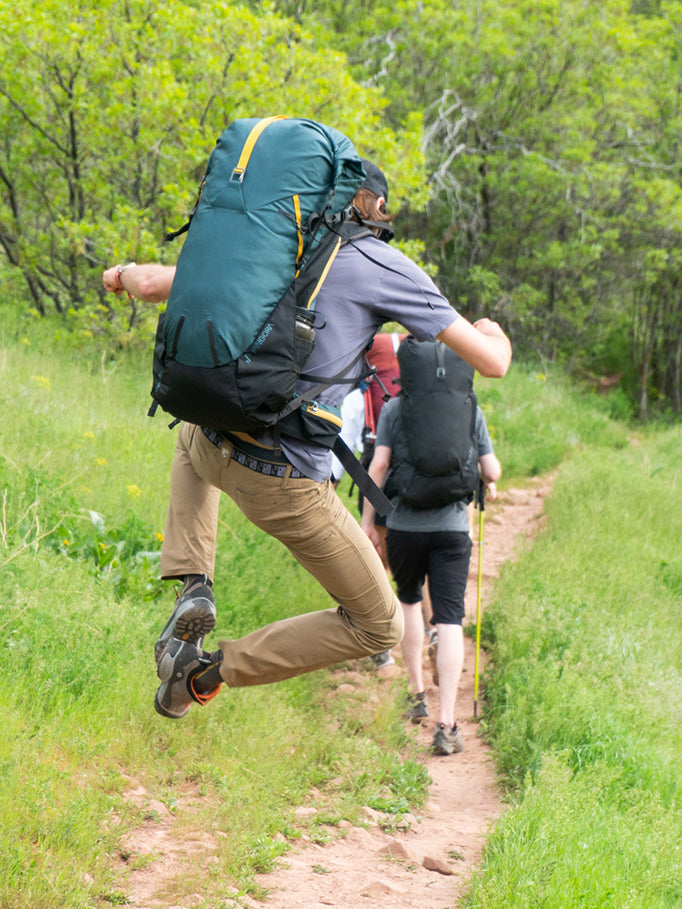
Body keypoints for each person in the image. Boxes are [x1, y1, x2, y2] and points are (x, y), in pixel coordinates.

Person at [102, 158, 512, 721]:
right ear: (378, 209)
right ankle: (208, 672)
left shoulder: (267, 246)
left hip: (213, 444)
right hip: (284, 482)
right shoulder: (382, 263)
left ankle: (195, 582)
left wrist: (120, 274)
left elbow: (151, 284)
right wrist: (496, 335)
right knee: (378, 624)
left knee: (189, 437)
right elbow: (491, 363)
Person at [360, 341, 501, 756]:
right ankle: (447, 724)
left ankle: (416, 693)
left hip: (403, 525)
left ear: (408, 373)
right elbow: (490, 469)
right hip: (453, 529)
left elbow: (379, 466)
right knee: (450, 619)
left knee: (407, 602)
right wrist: (486, 478)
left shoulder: (394, 408)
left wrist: (369, 521)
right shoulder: (469, 408)